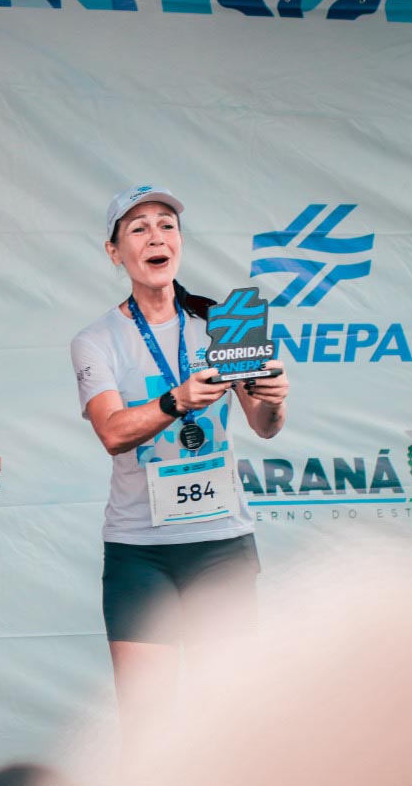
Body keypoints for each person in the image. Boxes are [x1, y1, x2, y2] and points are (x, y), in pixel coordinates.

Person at [68, 184, 289, 761]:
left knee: (234, 712)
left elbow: (264, 425)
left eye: (166, 225)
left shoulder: (223, 321)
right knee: (149, 725)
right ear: (115, 252)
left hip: (222, 544)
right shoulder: (96, 340)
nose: (155, 237)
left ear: (180, 242)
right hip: (141, 551)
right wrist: (177, 400)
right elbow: (113, 432)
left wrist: (275, 395)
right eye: (137, 229)